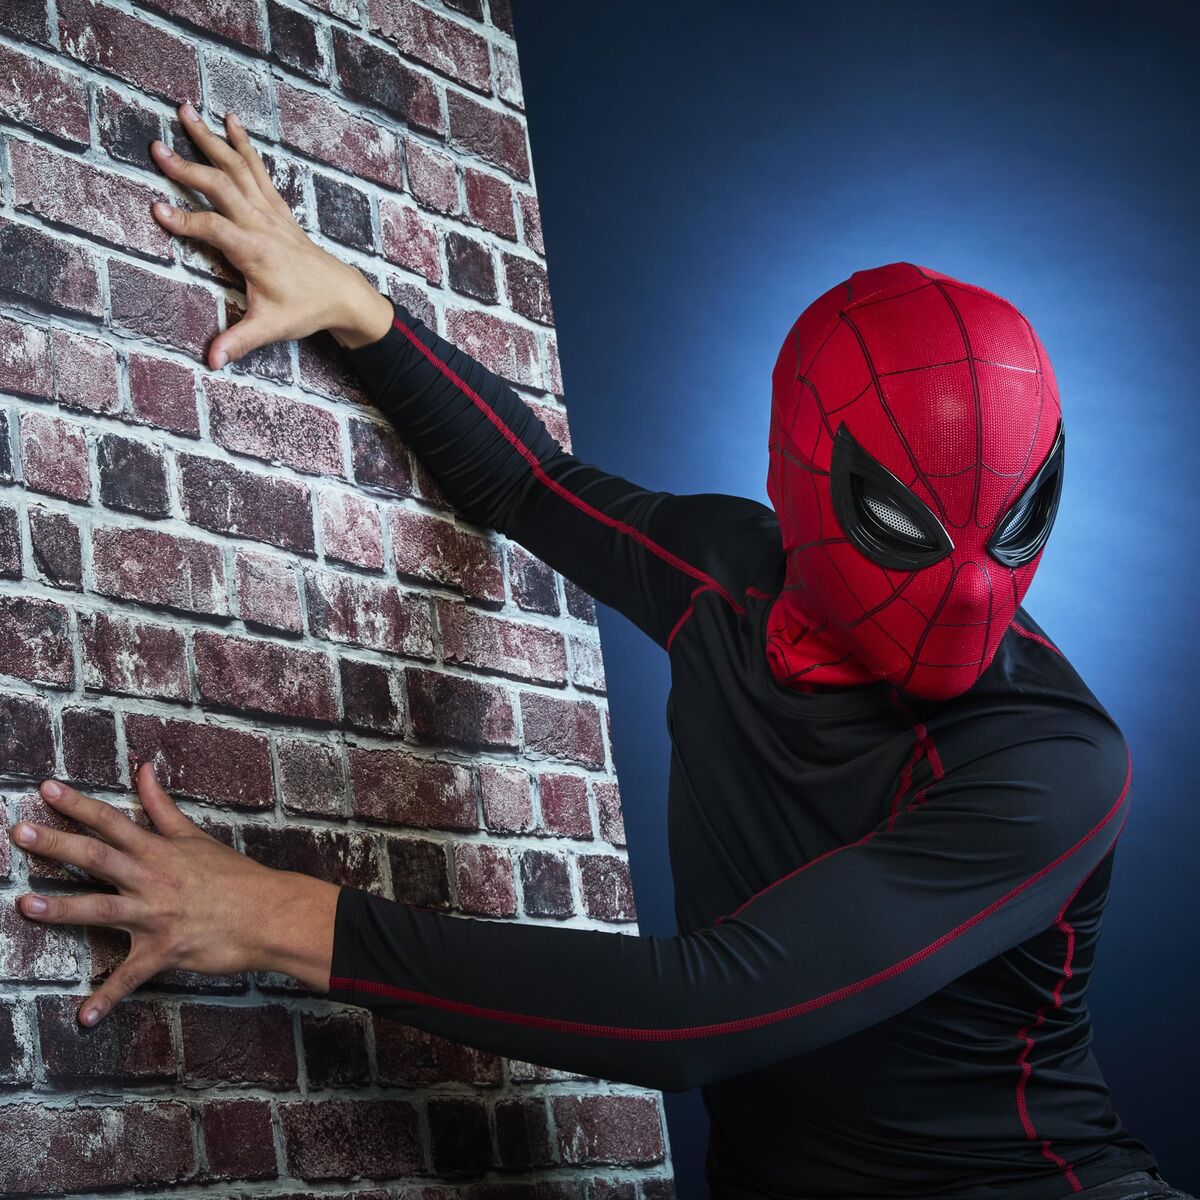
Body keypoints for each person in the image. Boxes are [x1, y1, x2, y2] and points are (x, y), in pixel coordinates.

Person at [7, 105, 1189, 1199]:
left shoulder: (1051, 763)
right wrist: (351, 304)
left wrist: (269, 913)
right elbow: (531, 483)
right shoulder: (729, 576)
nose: (969, 589)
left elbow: (699, 1016)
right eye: (904, 521)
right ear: (804, 473)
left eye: (1010, 521)